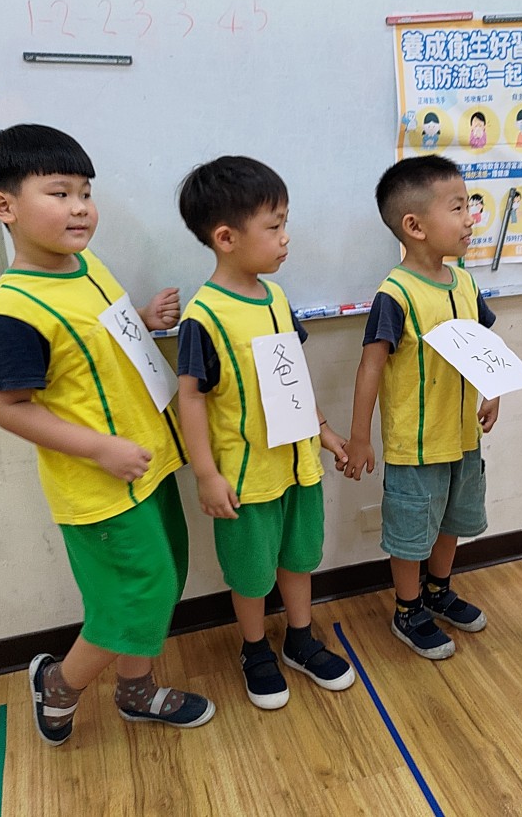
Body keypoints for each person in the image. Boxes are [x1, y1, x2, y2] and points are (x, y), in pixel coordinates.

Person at [0, 124, 214, 745]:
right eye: (60, 193)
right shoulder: (13, 312)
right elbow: (6, 406)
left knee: (163, 579)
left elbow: (97, 335)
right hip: (100, 486)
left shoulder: (85, 266)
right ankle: (59, 685)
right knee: (134, 597)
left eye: (85, 191)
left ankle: (136, 690)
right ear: (5, 206)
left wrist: (142, 318)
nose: (80, 206)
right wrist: (101, 449)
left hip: (147, 462)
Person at [174, 156, 355, 710]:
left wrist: (322, 429)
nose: (285, 238)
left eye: (284, 224)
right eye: (274, 226)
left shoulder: (276, 298)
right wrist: (206, 474)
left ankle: (300, 639)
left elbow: (291, 373)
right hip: (246, 478)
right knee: (252, 574)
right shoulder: (203, 316)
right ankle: (254, 649)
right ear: (226, 238)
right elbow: (190, 398)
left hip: (297, 466)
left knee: (299, 558)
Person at [343, 155, 500, 660]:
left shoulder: (466, 283)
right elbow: (370, 367)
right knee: (411, 533)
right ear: (414, 226)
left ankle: (438, 590)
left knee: (454, 520)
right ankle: (407, 609)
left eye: (469, 206)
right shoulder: (395, 294)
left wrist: (493, 388)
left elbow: (482, 345)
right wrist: (360, 437)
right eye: (458, 208)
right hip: (416, 445)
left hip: (463, 438)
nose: (471, 218)